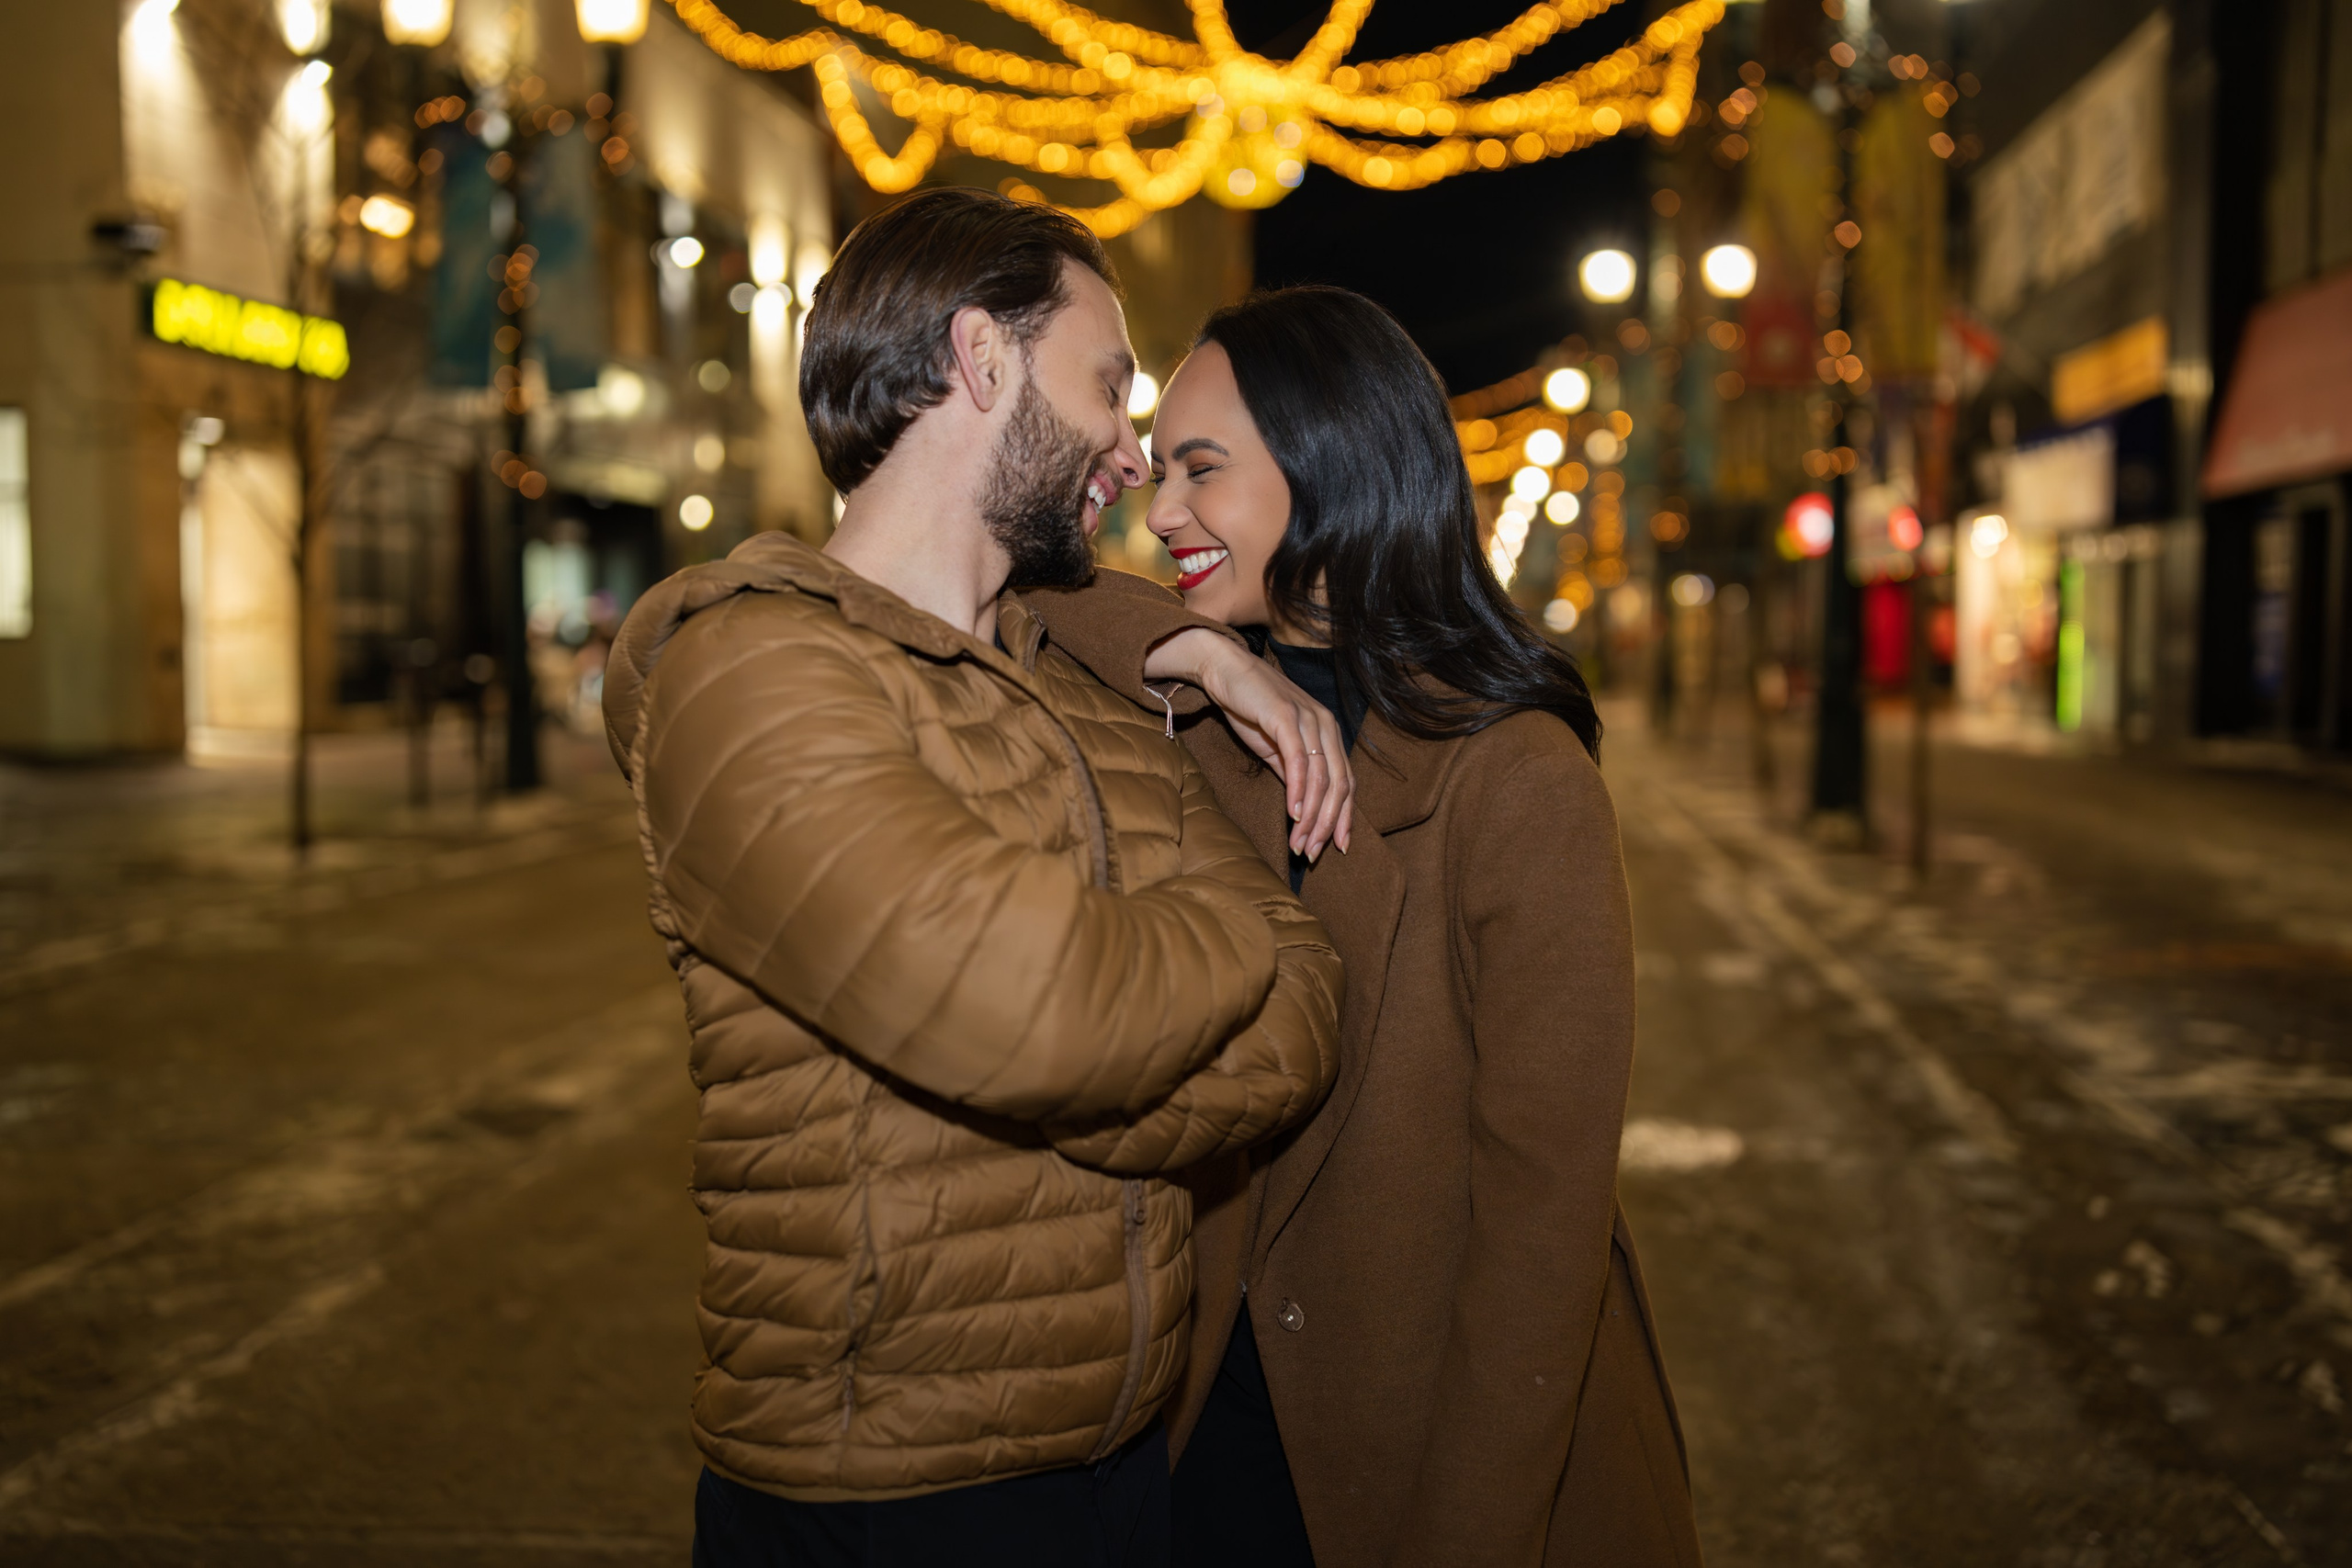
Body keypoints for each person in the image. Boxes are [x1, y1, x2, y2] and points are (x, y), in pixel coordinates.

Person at [600, 190, 1350, 1568]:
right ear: (981, 357)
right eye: (1108, 386)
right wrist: (1195, 961)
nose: (1131, 453)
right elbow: (1049, 1015)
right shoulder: (755, 672)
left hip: (1128, 1467)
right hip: (886, 1497)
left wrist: (1097, 1055)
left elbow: (1306, 1011)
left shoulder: (1093, 700)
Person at [1021, 286, 1702, 1567]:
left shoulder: (1515, 778)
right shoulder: (1210, 725)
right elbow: (1029, 597)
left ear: (1330, 465)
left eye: (1202, 470)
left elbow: (1541, 1230)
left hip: (1444, 1448)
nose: (1158, 512)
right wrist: (1198, 653)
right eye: (1160, 470)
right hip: (1218, 1444)